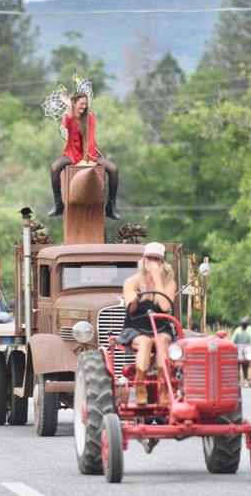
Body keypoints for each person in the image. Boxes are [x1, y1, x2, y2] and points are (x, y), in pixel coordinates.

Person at [118, 242, 177, 406]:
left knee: (162, 341)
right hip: (136, 327)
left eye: (157, 259)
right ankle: (140, 389)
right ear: (143, 261)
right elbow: (130, 306)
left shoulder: (169, 283)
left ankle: (164, 390)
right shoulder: (132, 281)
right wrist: (135, 299)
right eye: (149, 258)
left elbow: (165, 307)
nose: (152, 263)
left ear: (163, 262)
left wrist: (157, 279)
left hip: (161, 327)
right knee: (145, 342)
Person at [47, 91, 120, 220]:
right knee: (54, 168)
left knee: (113, 169)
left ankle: (111, 207)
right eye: (81, 104)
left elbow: (90, 139)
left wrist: (89, 159)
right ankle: (58, 204)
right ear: (74, 104)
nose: (84, 106)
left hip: (90, 155)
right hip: (72, 155)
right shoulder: (68, 117)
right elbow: (68, 120)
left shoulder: (90, 117)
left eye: (86, 104)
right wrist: (69, 105)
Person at [232, 321, 251, 388]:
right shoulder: (248, 336)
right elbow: (250, 345)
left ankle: (238, 383)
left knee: (237, 369)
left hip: (238, 355)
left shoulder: (238, 335)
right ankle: (246, 382)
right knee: (245, 369)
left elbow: (234, 343)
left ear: (241, 326)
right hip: (245, 355)